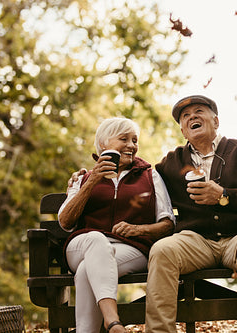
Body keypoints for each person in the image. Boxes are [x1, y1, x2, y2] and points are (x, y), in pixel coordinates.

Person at [146, 95, 237, 333]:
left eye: (199, 111)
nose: (192, 117)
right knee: (162, 250)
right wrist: (86, 178)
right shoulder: (172, 161)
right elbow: (143, 179)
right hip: (196, 241)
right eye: (185, 116)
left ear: (216, 121)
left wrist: (224, 195)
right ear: (183, 131)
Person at [59, 117, 175, 333]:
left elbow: (167, 224)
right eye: (124, 139)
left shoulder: (151, 176)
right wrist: (92, 180)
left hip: (131, 249)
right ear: (104, 144)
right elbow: (65, 222)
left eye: (134, 140)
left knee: (87, 270)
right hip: (82, 245)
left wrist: (138, 230)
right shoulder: (83, 178)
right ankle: (113, 321)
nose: (131, 145)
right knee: (96, 239)